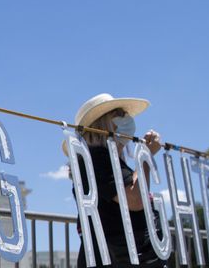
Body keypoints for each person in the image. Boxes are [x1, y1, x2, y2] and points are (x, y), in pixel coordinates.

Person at [68, 93, 167, 268]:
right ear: (103, 123)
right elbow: (135, 200)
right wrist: (145, 156)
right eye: (120, 114)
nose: (127, 118)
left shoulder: (105, 160)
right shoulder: (94, 159)